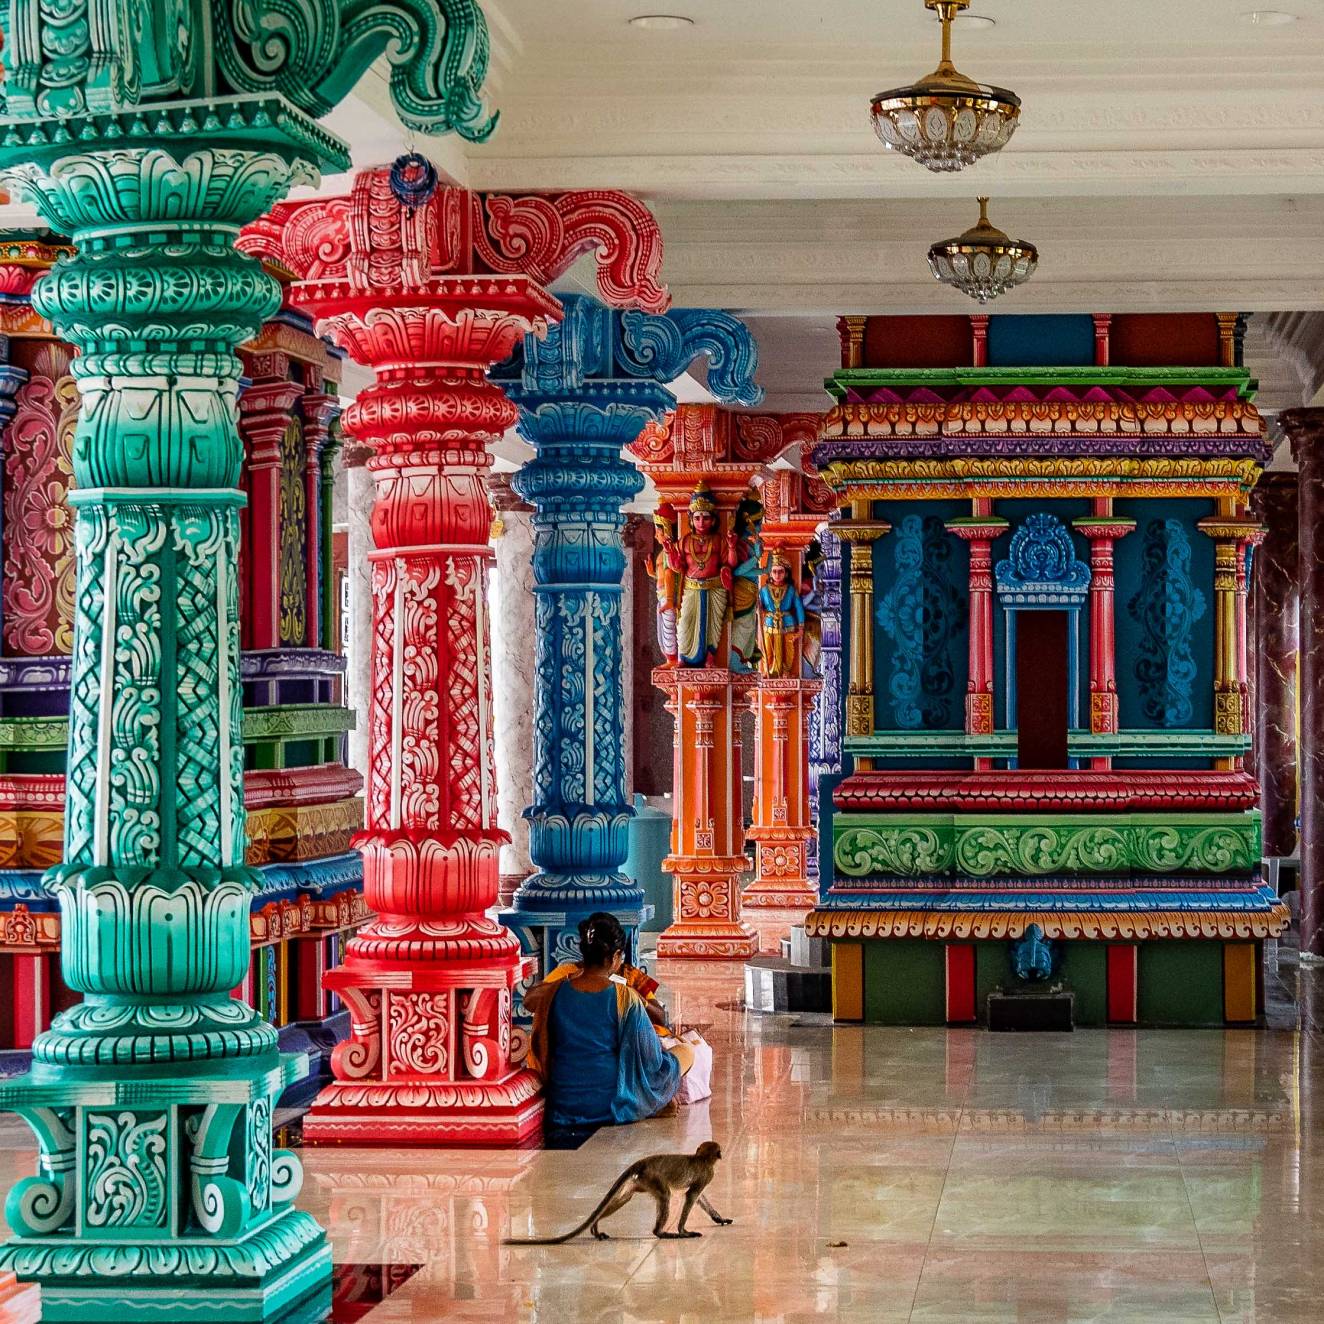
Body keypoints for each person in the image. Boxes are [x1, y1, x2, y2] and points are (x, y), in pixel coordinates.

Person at [525, 914, 694, 1128]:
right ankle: (649, 1104)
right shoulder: (624, 997)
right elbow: (652, 1062)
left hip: (562, 1104)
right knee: (686, 1052)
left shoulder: (554, 993)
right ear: (616, 956)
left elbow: (539, 1045)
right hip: (610, 1106)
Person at [757, 550, 807, 678]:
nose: (777, 575)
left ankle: (785, 671)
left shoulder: (790, 590)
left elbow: (798, 607)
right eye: (774, 571)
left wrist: (801, 627)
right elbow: (759, 607)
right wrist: (758, 609)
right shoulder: (763, 590)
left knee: (788, 649)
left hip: (787, 623)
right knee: (767, 649)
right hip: (769, 622)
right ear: (770, 573)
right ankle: (767, 671)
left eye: (780, 571)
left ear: (786, 573)